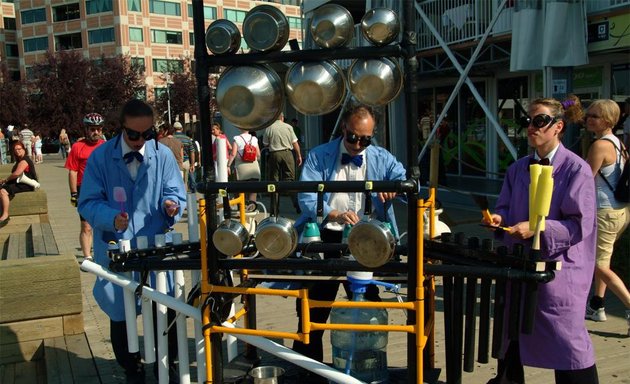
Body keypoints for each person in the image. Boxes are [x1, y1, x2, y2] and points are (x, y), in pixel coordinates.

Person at [483, 98, 599, 384]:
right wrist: (499, 221)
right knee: (511, 338)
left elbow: (578, 224)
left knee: (569, 345)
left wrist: (537, 229)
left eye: (540, 121)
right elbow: (506, 208)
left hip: (559, 272)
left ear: (558, 126)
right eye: (528, 121)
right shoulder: (517, 168)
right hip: (519, 268)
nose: (531, 127)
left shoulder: (577, 169)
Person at [78, 99, 186, 383]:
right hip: (118, 248)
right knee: (121, 314)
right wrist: (111, 217)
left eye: (147, 134)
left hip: (155, 246)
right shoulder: (100, 158)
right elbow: (87, 202)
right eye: (133, 134)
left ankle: (168, 362)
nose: (140, 141)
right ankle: (132, 369)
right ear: (121, 129)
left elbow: (176, 191)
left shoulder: (162, 155)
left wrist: (172, 204)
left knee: (163, 309)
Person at [291, 104, 406, 362]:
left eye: (365, 139)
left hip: (368, 239)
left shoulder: (380, 156)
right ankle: (308, 370)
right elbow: (306, 196)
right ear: (344, 128)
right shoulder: (319, 155)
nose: (358, 145)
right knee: (313, 306)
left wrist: (395, 188)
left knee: (370, 304)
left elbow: (405, 178)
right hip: (326, 237)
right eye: (353, 137)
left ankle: (368, 362)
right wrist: (334, 213)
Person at [583, 99, 630, 335]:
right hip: (620, 211)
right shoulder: (619, 143)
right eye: (588, 115)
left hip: (603, 212)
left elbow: (584, 180)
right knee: (604, 260)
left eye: (594, 116)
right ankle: (597, 305)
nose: (588, 119)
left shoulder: (599, 145)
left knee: (597, 264)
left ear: (608, 120)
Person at [65, 113, 106, 262]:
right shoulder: (77, 147)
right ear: (86, 130)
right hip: (85, 189)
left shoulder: (106, 147)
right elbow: (73, 171)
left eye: (98, 129)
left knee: (104, 223)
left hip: (103, 188)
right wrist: (74, 193)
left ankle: (103, 254)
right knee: (86, 226)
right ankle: (87, 257)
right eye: (92, 129)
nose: (95, 132)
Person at [263, 112, 302, 213]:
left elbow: (265, 144)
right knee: (290, 180)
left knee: (273, 182)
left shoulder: (269, 128)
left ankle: (275, 209)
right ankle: (296, 204)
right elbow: (295, 143)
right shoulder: (288, 127)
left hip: (274, 154)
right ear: (282, 118)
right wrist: (299, 156)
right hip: (287, 153)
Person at [0, 142, 38, 227]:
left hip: (26, 184)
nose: (17, 151)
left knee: (3, 191)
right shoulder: (19, 160)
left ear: (24, 149)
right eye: (15, 150)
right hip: (20, 182)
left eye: (19, 149)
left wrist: (6, 180)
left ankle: (5, 215)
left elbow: (17, 173)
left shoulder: (25, 160)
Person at [228, 128, 261, 211]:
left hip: (241, 168)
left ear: (240, 128)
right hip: (254, 168)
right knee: (253, 191)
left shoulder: (237, 139)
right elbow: (258, 155)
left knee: (240, 190)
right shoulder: (254, 139)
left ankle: (242, 210)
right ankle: (251, 211)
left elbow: (233, 154)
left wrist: (228, 165)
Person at [173, 120, 195, 190]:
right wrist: (192, 164)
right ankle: (184, 198)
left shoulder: (172, 138)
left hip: (175, 163)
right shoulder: (187, 139)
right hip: (186, 162)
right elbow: (192, 152)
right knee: (185, 182)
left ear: (173, 129)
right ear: (182, 129)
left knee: (176, 182)